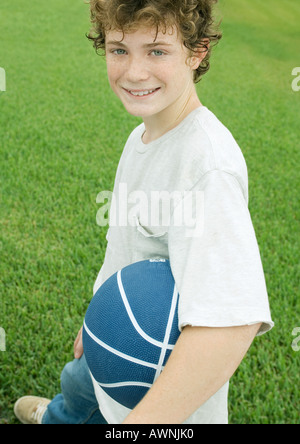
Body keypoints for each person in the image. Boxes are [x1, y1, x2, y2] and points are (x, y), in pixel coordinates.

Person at [14, 0, 274, 424]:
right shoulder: (144, 135)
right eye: (119, 50)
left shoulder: (206, 166)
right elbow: (124, 247)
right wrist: (100, 319)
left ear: (197, 51)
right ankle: (56, 415)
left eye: (156, 51)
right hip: (109, 339)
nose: (134, 72)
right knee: (78, 392)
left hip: (152, 388)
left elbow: (229, 326)